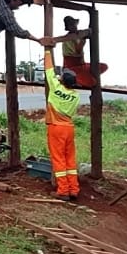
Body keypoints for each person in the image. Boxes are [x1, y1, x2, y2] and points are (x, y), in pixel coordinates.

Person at [43, 47, 81, 200]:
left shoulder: (55, 88)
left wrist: (47, 52)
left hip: (56, 128)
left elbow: (49, 71)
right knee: (70, 159)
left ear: (62, 80)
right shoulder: (76, 96)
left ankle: (63, 191)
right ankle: (74, 189)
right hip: (69, 128)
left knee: (58, 159)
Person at [59, 16, 108, 89]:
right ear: (68, 27)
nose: (74, 26)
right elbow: (78, 50)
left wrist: (87, 33)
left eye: (74, 24)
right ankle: (71, 79)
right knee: (92, 82)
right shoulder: (68, 38)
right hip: (72, 67)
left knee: (103, 66)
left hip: (82, 65)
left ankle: (77, 79)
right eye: (71, 25)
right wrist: (83, 41)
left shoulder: (78, 34)